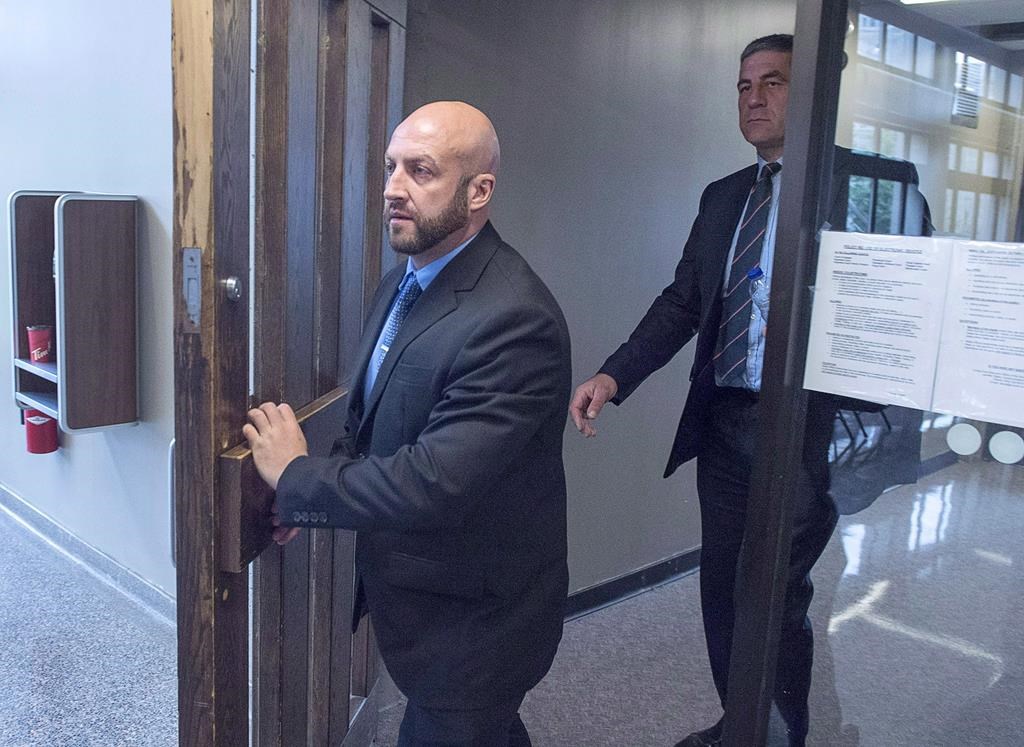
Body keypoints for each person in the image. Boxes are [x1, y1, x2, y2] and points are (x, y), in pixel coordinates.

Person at [569, 34, 927, 747]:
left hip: (804, 425)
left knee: (776, 598)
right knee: (724, 593)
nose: (753, 98)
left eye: (773, 82)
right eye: (743, 86)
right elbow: (682, 301)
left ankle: (780, 732)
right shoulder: (725, 196)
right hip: (728, 424)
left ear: (813, 95)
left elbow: (903, 312)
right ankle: (743, 724)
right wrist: (615, 374)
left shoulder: (866, 188)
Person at [244, 101, 572, 747]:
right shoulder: (406, 282)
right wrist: (299, 500)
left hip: (479, 623)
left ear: (479, 191)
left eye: (421, 170)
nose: (394, 187)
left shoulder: (514, 320)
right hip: (428, 603)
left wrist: (299, 477)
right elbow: (371, 424)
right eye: (391, 167)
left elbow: (434, 482)